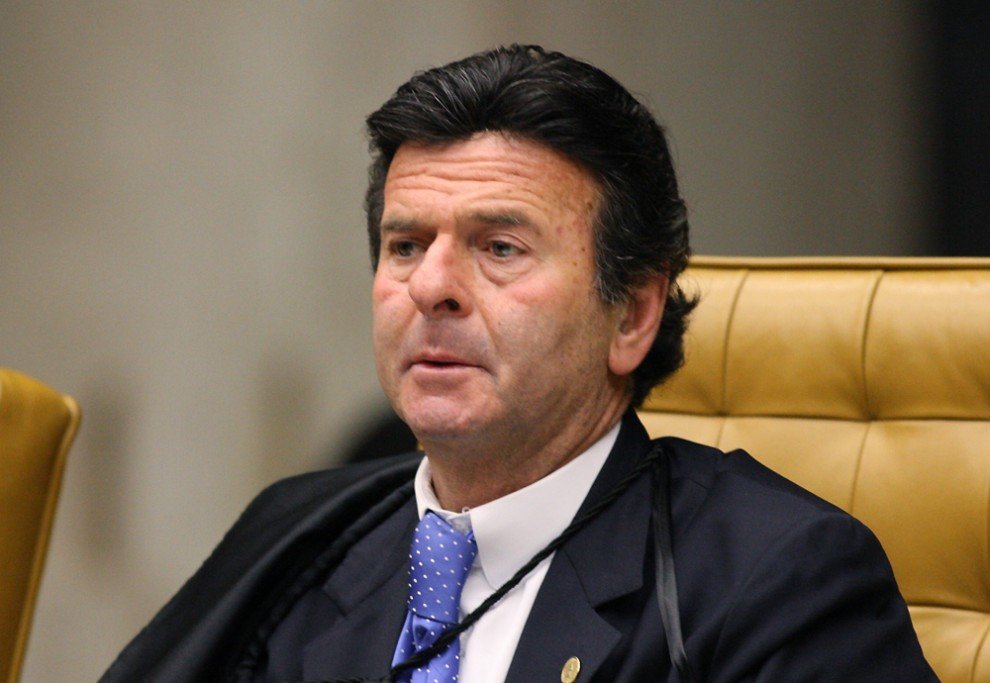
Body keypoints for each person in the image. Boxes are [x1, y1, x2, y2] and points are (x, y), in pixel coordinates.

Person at [101, 45, 936, 682]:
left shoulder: (781, 579)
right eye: (405, 244)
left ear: (632, 314)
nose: (431, 286)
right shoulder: (302, 550)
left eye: (499, 247)